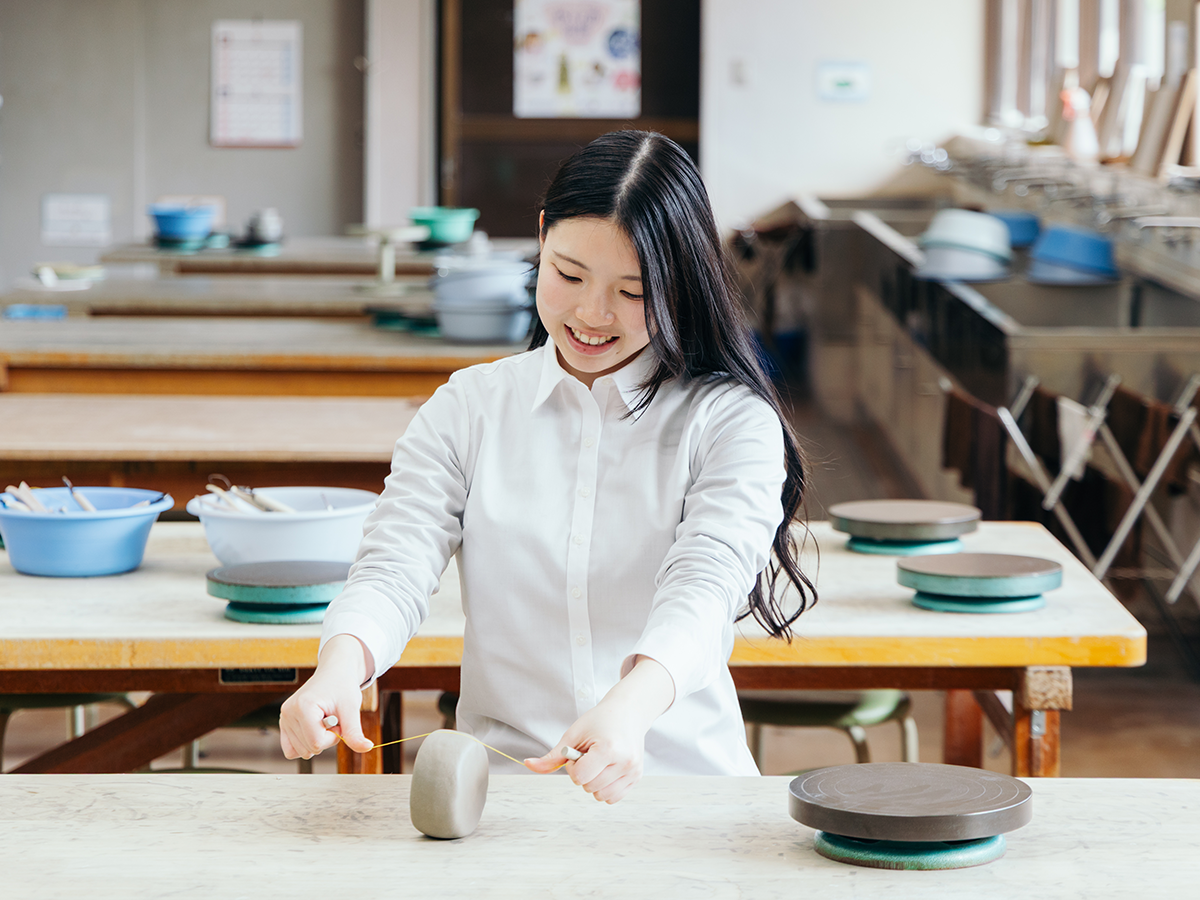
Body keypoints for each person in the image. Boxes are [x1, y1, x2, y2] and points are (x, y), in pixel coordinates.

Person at [279, 130, 814, 803]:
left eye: (633, 289)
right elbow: (395, 563)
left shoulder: (731, 423)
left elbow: (705, 591)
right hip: (503, 796)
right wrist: (339, 666)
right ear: (540, 238)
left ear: (679, 279)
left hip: (684, 786)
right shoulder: (469, 408)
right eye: (568, 275)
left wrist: (629, 709)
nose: (592, 314)